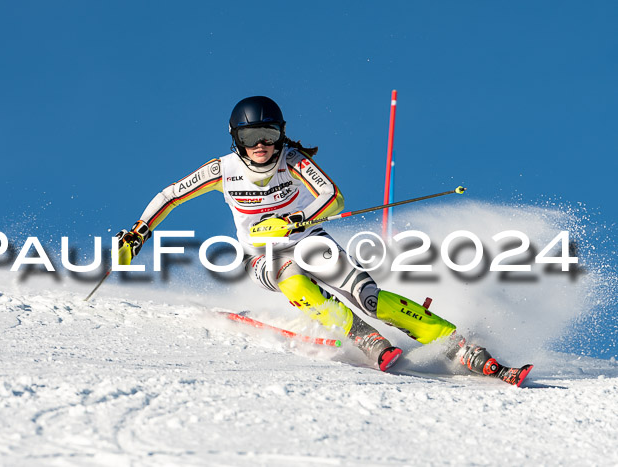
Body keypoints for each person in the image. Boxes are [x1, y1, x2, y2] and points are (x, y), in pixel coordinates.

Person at [116, 96, 533, 386]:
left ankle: (454, 344)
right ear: (234, 139)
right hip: (260, 255)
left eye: (269, 134)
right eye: (249, 138)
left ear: (282, 134)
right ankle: (363, 336)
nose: (261, 146)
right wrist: (138, 232)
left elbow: (332, 197)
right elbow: (170, 195)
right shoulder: (222, 170)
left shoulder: (293, 160)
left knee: (367, 295)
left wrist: (298, 217)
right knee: (294, 281)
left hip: (308, 237)